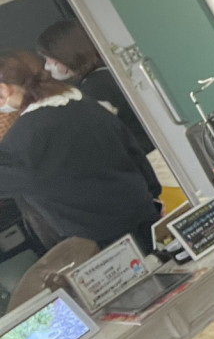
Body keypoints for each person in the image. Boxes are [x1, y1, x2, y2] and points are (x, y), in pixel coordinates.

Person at [0, 51, 161, 250]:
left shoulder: (22, 139)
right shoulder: (82, 102)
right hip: (142, 210)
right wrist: (153, 194)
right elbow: (133, 150)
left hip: (101, 237)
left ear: (4, 89)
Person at [37, 19, 155, 155]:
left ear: (64, 54)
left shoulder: (95, 87)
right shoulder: (107, 73)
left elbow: (101, 137)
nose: (47, 66)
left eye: (48, 58)